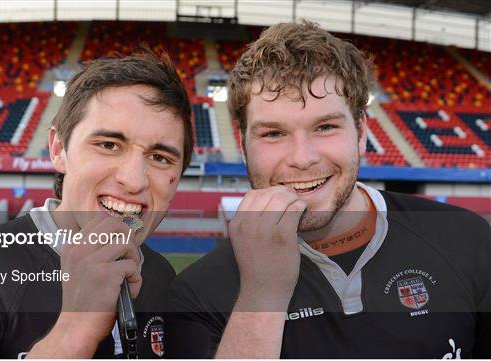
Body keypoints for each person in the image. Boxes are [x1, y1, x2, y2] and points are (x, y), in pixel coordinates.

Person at [164, 21, 491, 358]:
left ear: (361, 132)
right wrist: (262, 297)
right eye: (273, 134)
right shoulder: (196, 294)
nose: (302, 159)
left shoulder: (466, 241)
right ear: (244, 148)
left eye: (325, 127)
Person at [0, 51, 194, 358]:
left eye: (160, 158)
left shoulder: (162, 276)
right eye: (108, 145)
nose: (134, 181)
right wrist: (75, 330)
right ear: (58, 149)